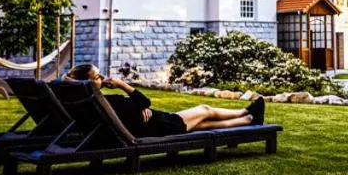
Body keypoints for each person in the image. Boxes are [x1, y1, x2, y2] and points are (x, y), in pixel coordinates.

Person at [65, 64, 264, 137]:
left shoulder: (94, 102)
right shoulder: (109, 100)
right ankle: (244, 112)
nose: (103, 78)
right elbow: (145, 101)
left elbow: (139, 108)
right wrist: (123, 85)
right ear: (89, 83)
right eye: (98, 76)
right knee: (205, 109)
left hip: (154, 124)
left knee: (204, 124)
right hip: (160, 126)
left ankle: (248, 120)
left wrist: (140, 109)